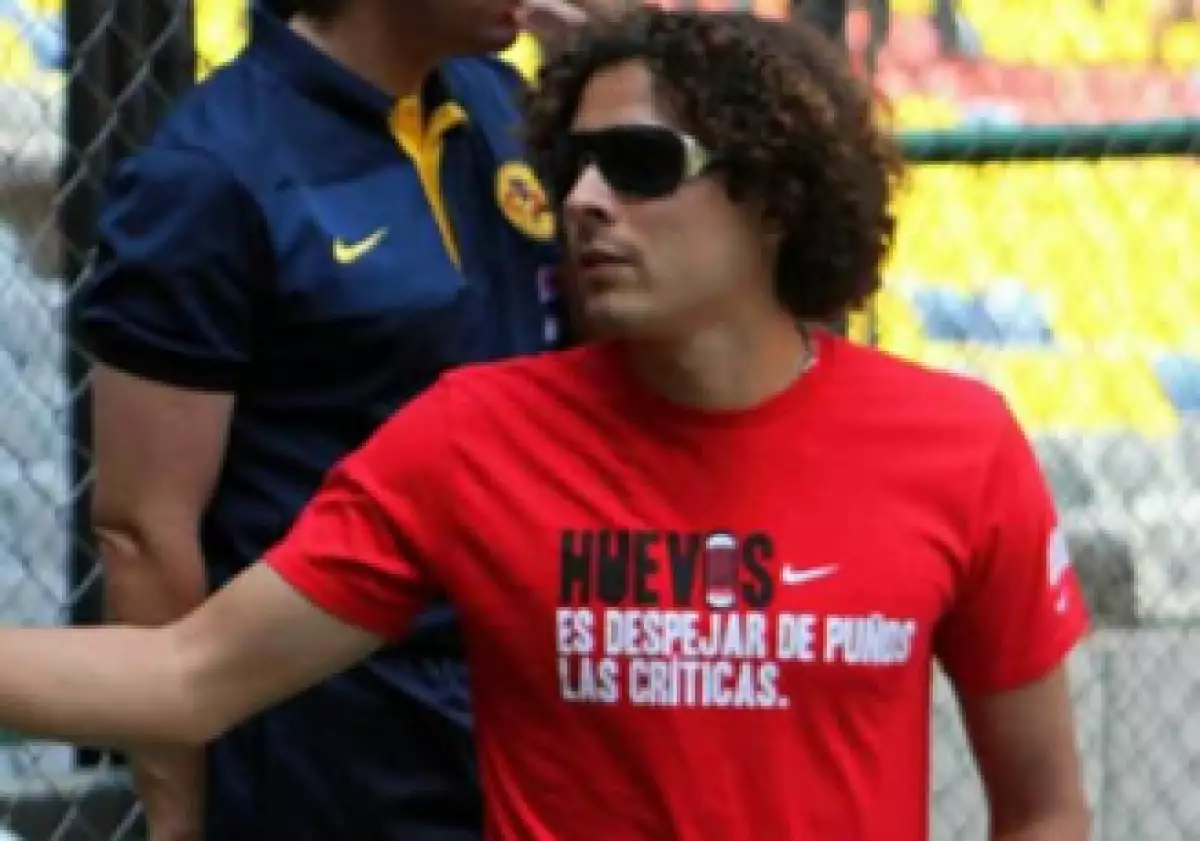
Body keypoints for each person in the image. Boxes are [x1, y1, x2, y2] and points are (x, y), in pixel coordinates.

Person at [11, 9, 1088, 840]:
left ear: (776, 197)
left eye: (641, 165)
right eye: (571, 164)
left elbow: (1042, 806)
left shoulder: (956, 444)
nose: (582, 200)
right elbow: (188, 675)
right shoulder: (475, 441)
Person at [73, 1, 618, 839]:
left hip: (530, 698)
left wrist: (611, 61)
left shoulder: (508, 107)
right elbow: (144, 529)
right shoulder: (212, 172)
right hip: (332, 736)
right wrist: (179, 814)